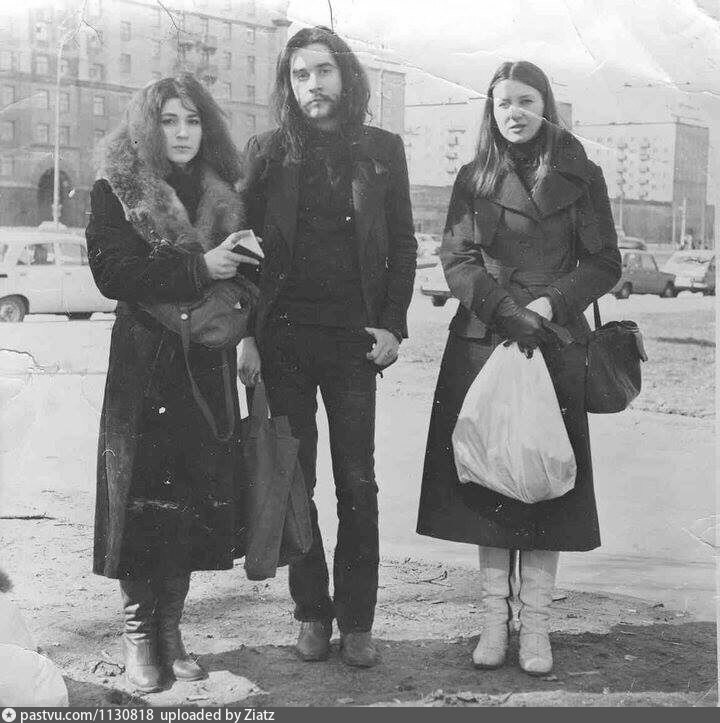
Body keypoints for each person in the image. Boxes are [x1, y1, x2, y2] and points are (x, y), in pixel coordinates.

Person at [416, 61, 621, 676]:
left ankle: (536, 629)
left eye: (526, 101)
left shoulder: (583, 174)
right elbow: (457, 258)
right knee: (489, 481)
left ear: (545, 105)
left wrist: (549, 305)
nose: (515, 112)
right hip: (485, 338)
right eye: (503, 103)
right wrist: (506, 311)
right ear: (491, 110)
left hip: (554, 341)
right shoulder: (473, 175)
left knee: (546, 483)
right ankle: (492, 625)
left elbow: (604, 262)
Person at [238, 26, 417, 668]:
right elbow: (244, 251)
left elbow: (403, 244)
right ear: (288, 85)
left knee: (357, 481)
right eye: (299, 75)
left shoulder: (381, 149)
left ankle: (358, 621)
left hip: (353, 344)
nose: (312, 85)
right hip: (283, 340)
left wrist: (392, 325)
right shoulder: (266, 152)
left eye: (323, 71)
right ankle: (312, 612)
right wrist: (247, 335)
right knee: (295, 479)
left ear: (345, 75)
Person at [86, 74, 259, 693]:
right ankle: (139, 636)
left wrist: (242, 302)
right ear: (147, 127)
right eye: (168, 121)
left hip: (204, 364)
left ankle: (171, 631)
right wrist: (200, 265)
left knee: (191, 498)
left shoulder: (223, 192)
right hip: (144, 366)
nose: (183, 133)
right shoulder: (118, 187)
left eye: (193, 120)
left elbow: (250, 278)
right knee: (139, 499)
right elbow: (111, 273)